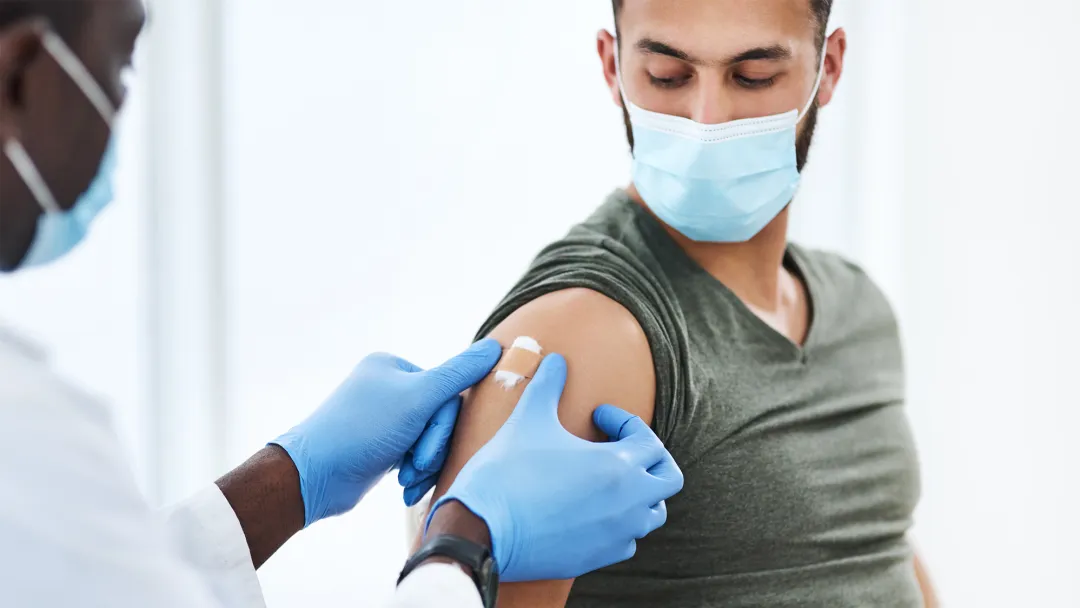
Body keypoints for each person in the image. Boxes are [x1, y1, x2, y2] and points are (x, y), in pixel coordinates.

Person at [0, 1, 685, 607]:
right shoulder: (28, 436)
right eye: (119, 73)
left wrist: (290, 476)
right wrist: (463, 538)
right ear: (21, 72)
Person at [417, 0, 940, 607]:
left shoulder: (856, 306)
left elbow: (873, 552)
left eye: (754, 76)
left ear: (828, 70)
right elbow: (451, 578)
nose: (707, 119)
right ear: (613, 67)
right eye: (668, 75)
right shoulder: (588, 327)